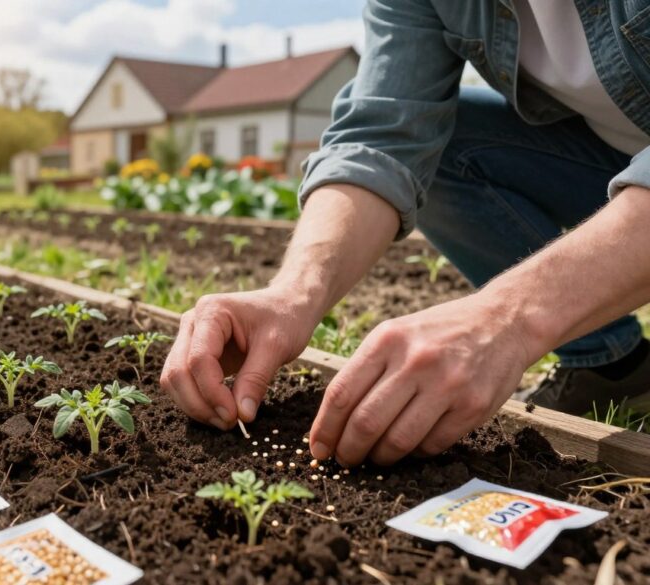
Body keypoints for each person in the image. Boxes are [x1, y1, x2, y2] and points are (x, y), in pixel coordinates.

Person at [160, 0, 650, 468]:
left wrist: (508, 317)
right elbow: (384, 135)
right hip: (608, 161)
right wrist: (293, 294)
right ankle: (611, 366)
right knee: (443, 144)